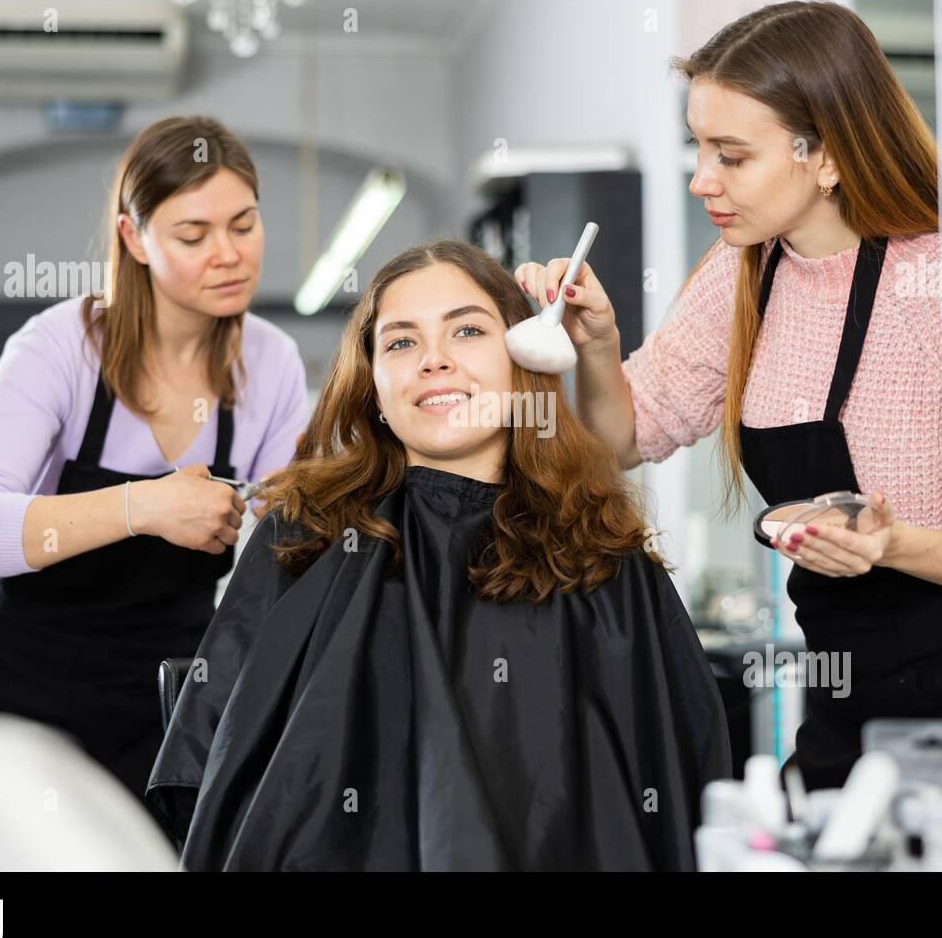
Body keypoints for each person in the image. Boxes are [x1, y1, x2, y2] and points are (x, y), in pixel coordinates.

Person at [514, 0, 942, 794]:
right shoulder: (742, 274)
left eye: (731, 155)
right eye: (699, 148)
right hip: (840, 708)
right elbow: (621, 438)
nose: (702, 180)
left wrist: (891, 545)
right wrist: (598, 347)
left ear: (824, 156)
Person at [146, 238, 731, 870]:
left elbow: (677, 793)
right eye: (401, 342)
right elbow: (212, 777)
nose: (434, 361)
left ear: (522, 360)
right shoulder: (305, 537)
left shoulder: (602, 556)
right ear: (372, 387)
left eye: (468, 331)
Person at [0, 115, 310, 801]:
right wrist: (144, 506)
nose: (229, 254)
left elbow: (295, 534)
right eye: (193, 235)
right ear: (134, 238)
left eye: (244, 225)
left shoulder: (272, 362)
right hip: (28, 690)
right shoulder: (59, 347)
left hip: (169, 697)